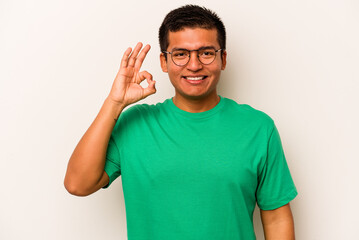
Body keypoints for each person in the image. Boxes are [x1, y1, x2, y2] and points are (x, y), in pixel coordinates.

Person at [64, 4, 297, 240]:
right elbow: (78, 184)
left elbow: (277, 218)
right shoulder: (136, 123)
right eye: (180, 54)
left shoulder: (258, 128)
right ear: (164, 62)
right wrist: (114, 103)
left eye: (206, 53)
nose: (194, 65)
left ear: (223, 58)